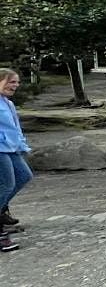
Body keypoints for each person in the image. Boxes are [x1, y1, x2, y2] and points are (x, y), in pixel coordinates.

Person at [1, 69, 32, 252]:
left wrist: (22, 145)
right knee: (6, 184)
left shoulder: (8, 104)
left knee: (24, 175)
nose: (15, 85)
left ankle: (2, 210)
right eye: (11, 81)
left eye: (17, 82)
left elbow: (15, 127)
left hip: (12, 147)